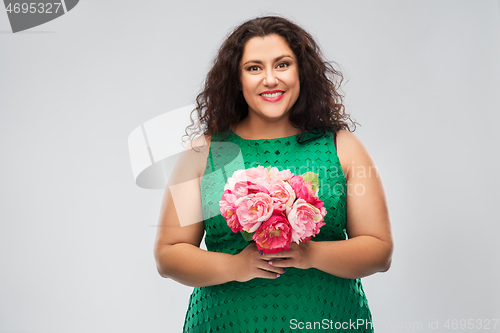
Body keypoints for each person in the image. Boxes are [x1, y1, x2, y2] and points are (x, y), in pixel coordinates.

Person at [154, 16, 393, 333]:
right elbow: (168, 253)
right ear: (236, 79)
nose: (270, 79)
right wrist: (238, 266)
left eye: (282, 65)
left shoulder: (343, 147)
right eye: (254, 68)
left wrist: (309, 254)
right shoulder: (205, 153)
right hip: (224, 324)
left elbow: (379, 250)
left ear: (301, 73)